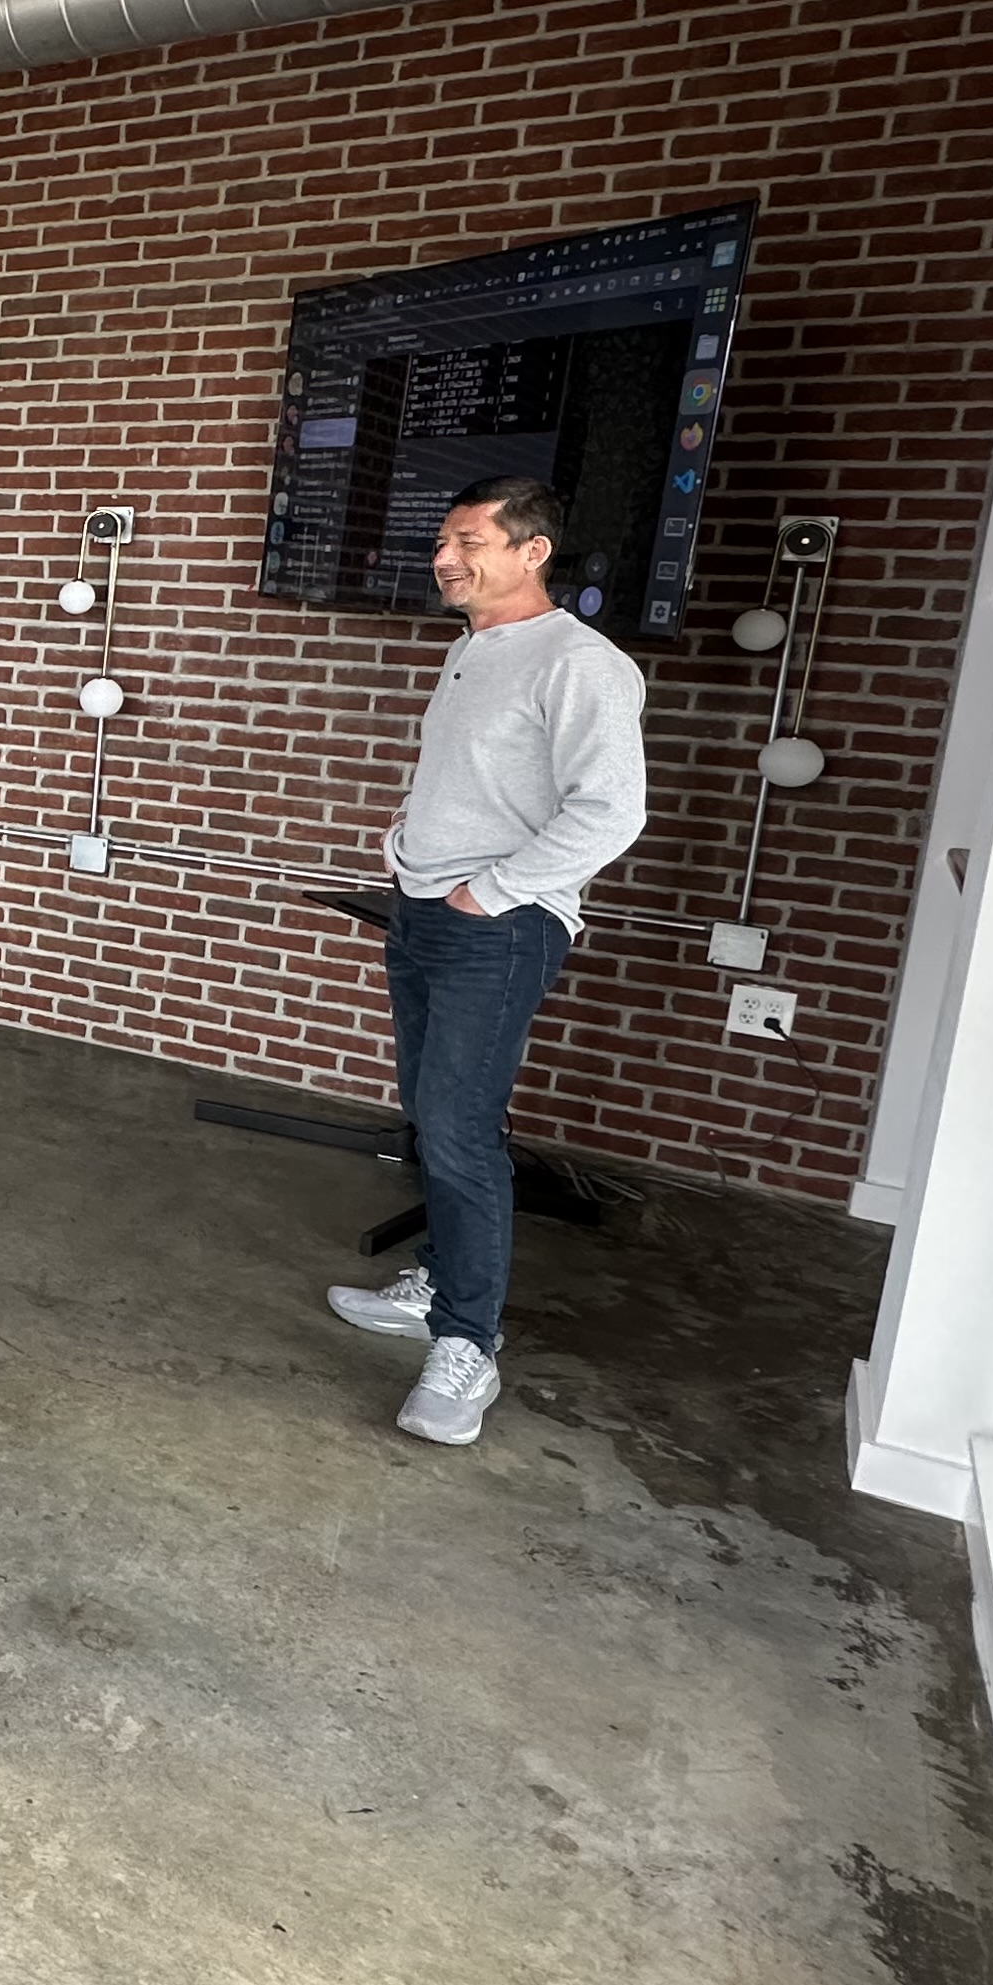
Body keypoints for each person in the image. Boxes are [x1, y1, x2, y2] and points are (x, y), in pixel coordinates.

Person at [322, 475, 649, 1448]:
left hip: (497, 926)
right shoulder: (475, 650)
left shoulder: (581, 664)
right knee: (434, 1109)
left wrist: (491, 891)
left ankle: (469, 1344)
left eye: (468, 540)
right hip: (428, 908)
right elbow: (481, 784)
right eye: (443, 542)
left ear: (531, 549)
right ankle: (441, 1283)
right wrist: (410, 839)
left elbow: (611, 810)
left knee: (460, 1131)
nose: (445, 557)